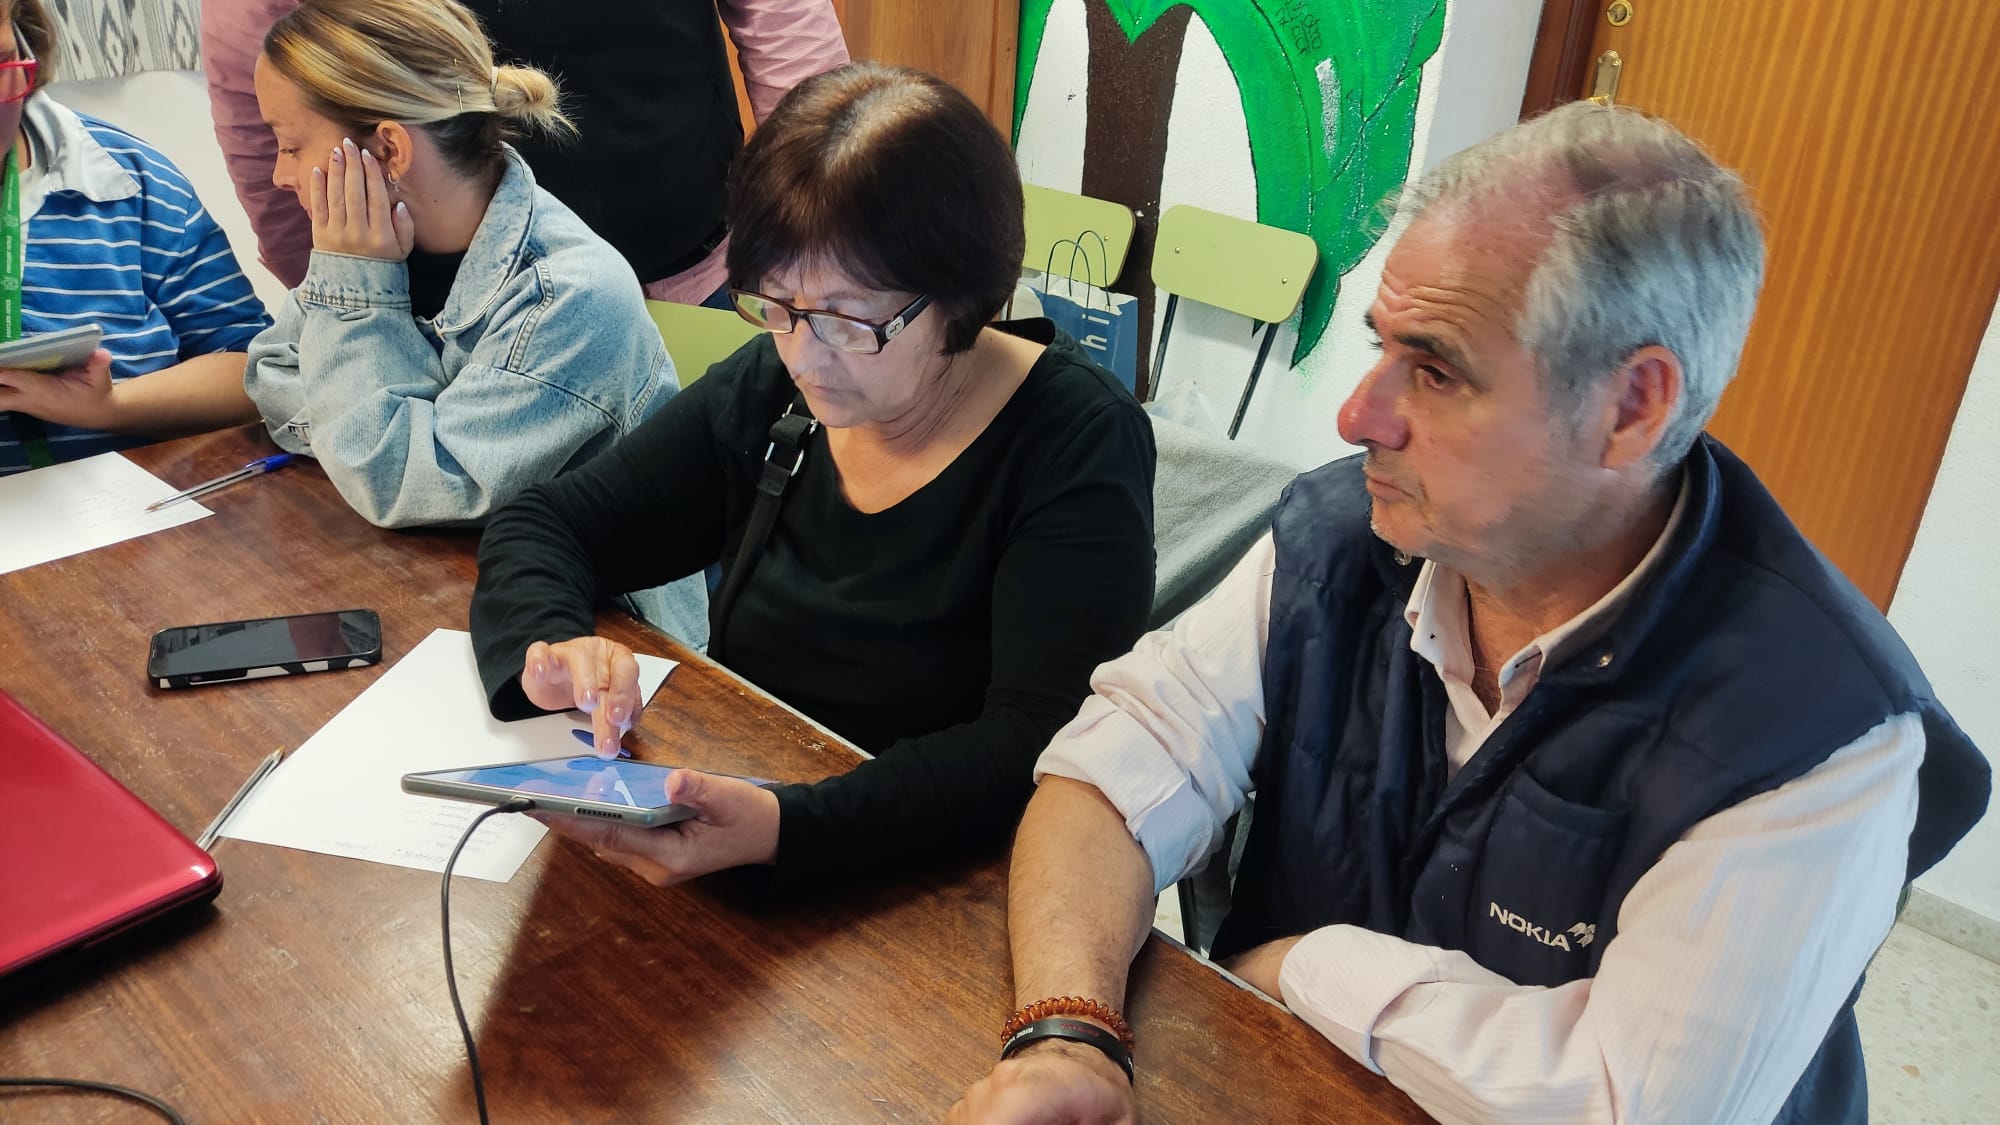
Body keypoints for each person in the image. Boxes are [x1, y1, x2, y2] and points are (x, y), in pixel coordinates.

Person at [949, 102, 1990, 1125]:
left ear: (1633, 408)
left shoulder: (1817, 728)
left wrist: (1312, 965)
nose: (1357, 416)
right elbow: (1113, 774)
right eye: (1381, 349)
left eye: (1437, 371)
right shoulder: (1343, 537)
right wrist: (1067, 1033)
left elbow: (1627, 1104)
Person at [468, 62, 1156, 891]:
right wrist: (553, 648)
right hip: (741, 815)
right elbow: (548, 525)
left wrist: (786, 829)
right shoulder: (777, 389)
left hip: (936, 883)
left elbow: (1033, 746)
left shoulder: (1074, 440)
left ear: (964, 296)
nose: (803, 354)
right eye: (777, 305)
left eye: (844, 320)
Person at [241, 0, 682, 540]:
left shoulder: (570, 296)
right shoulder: (371, 243)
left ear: (389, 150)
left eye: (290, 146)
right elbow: (270, 373)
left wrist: (359, 413)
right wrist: (377, 430)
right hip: (443, 568)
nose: (279, 174)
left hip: (589, 592)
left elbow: (395, 482)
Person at [200, 0, 848, 303]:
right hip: (451, 305)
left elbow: (786, 24)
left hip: (695, 257)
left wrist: (810, 224)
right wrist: (337, 291)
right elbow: (258, 112)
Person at [0, 0, 269, 473]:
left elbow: (254, 371)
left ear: (25, 45)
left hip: (135, 505)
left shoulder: (128, 178)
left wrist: (112, 407)